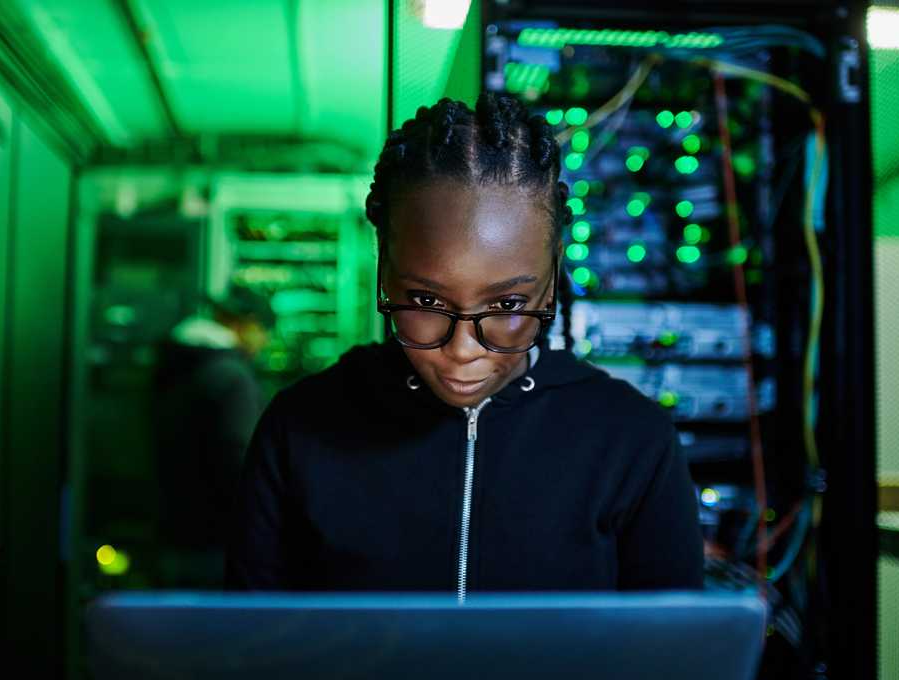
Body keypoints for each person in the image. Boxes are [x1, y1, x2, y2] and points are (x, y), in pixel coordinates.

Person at [225, 93, 703, 593]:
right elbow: (252, 655)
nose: (462, 350)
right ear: (383, 263)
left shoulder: (632, 442)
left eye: (508, 306)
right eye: (427, 302)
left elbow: (670, 662)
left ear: (554, 271)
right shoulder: (299, 430)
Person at [152, 284, 273, 583]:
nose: (265, 342)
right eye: (264, 330)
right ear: (246, 325)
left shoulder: (176, 364)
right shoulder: (232, 377)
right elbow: (239, 459)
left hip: (173, 529)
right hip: (216, 541)